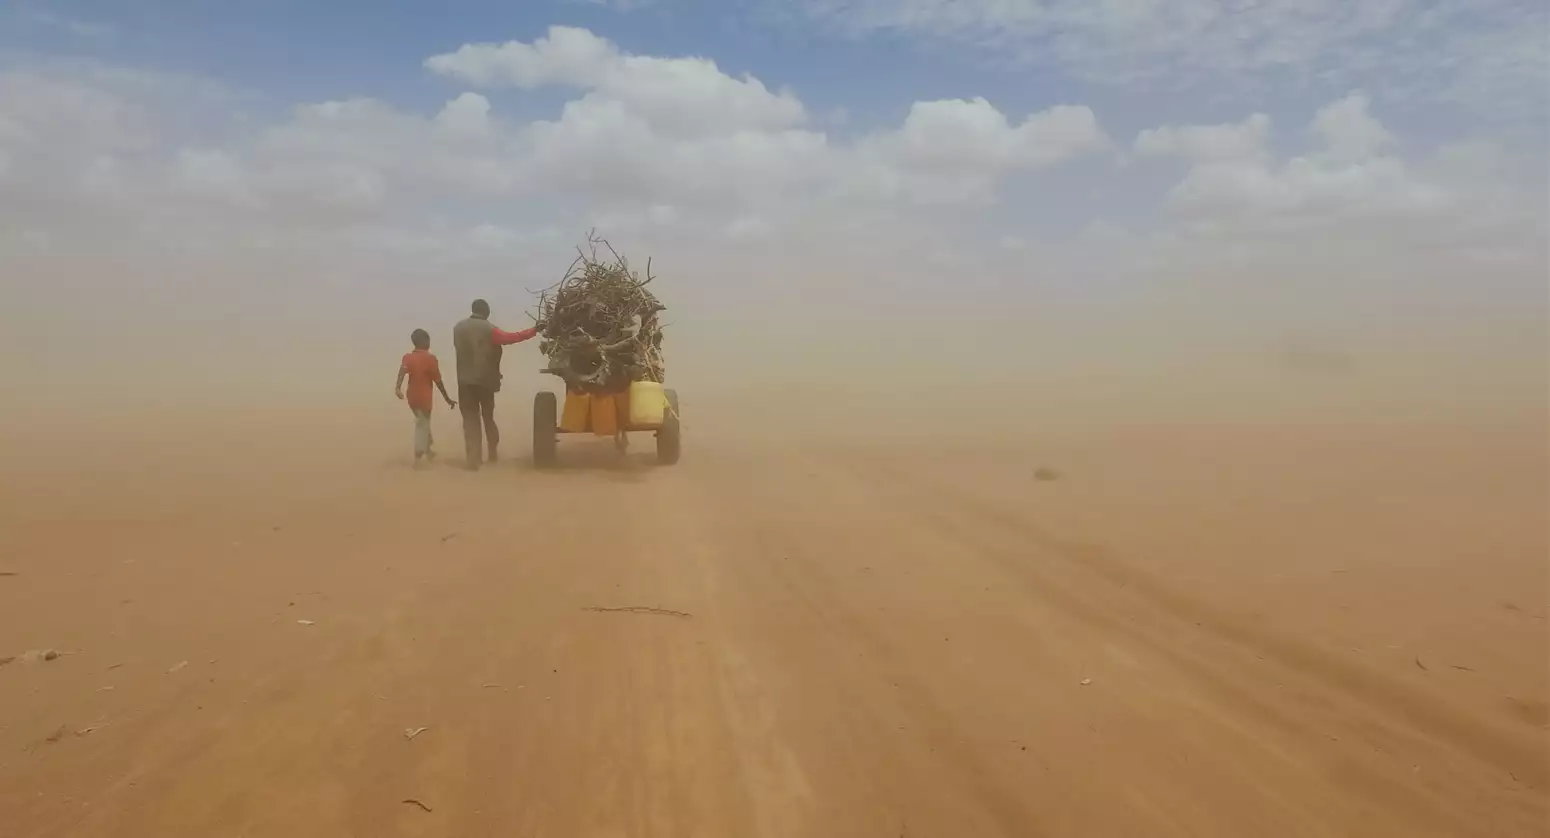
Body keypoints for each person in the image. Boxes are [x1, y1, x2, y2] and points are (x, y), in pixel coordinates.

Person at [452, 298, 540, 470]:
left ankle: (473, 458)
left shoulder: (458, 328)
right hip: (485, 380)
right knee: (488, 417)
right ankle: (492, 451)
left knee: (469, 418)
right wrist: (534, 330)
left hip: (464, 380)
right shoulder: (489, 329)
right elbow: (510, 338)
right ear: (486, 312)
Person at [395, 328, 457, 468]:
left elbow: (402, 370)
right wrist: (447, 399)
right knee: (422, 424)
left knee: (423, 422)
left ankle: (428, 451)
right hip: (424, 397)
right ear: (426, 342)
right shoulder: (430, 359)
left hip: (412, 397)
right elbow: (438, 382)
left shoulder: (408, 357)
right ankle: (418, 457)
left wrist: (397, 388)